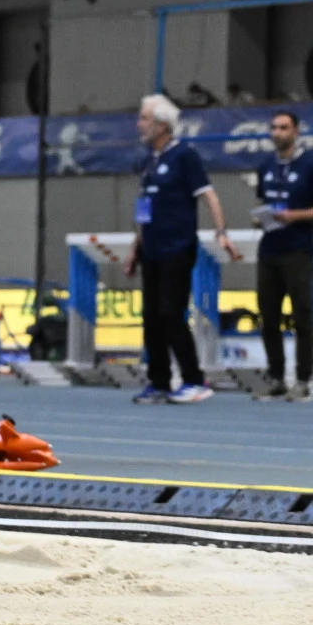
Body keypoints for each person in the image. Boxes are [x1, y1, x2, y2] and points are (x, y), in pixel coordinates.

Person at [126, 93, 224, 405]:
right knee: (151, 316)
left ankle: (195, 380)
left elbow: (209, 195)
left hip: (177, 248)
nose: (139, 124)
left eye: (144, 118)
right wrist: (134, 249)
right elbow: (144, 210)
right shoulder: (148, 162)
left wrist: (221, 231)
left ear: (163, 124)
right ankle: (159, 382)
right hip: (151, 250)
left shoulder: (185, 156)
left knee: (170, 313)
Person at [251, 111, 313, 402]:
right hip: (269, 250)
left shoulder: (311, 165)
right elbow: (263, 203)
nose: (277, 132)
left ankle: (303, 379)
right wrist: (260, 219)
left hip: (298, 250)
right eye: (273, 127)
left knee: (302, 316)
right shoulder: (265, 166)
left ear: (296, 131)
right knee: (268, 316)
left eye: (283, 128)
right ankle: (275, 378)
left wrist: (294, 216)